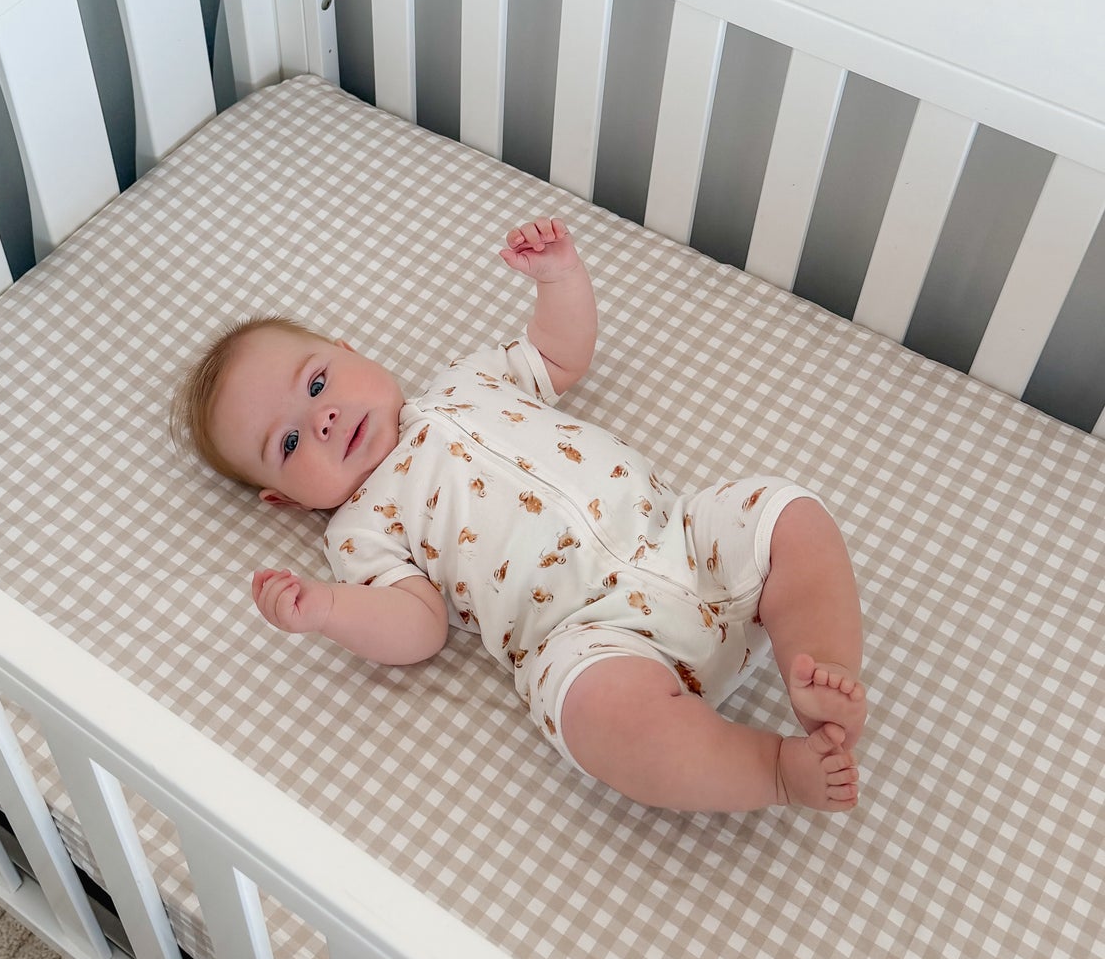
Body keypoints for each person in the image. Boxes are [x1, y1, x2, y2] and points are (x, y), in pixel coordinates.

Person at [171, 218, 865, 814]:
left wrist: (558, 280)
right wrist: (327, 609)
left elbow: (559, 354)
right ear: (284, 498)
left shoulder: (465, 378)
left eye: (318, 382)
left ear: (354, 353)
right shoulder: (360, 529)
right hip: (589, 637)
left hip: (680, 537)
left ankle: (821, 675)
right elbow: (417, 626)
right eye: (289, 443)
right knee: (597, 716)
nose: (320, 418)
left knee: (789, 514)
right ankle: (771, 768)